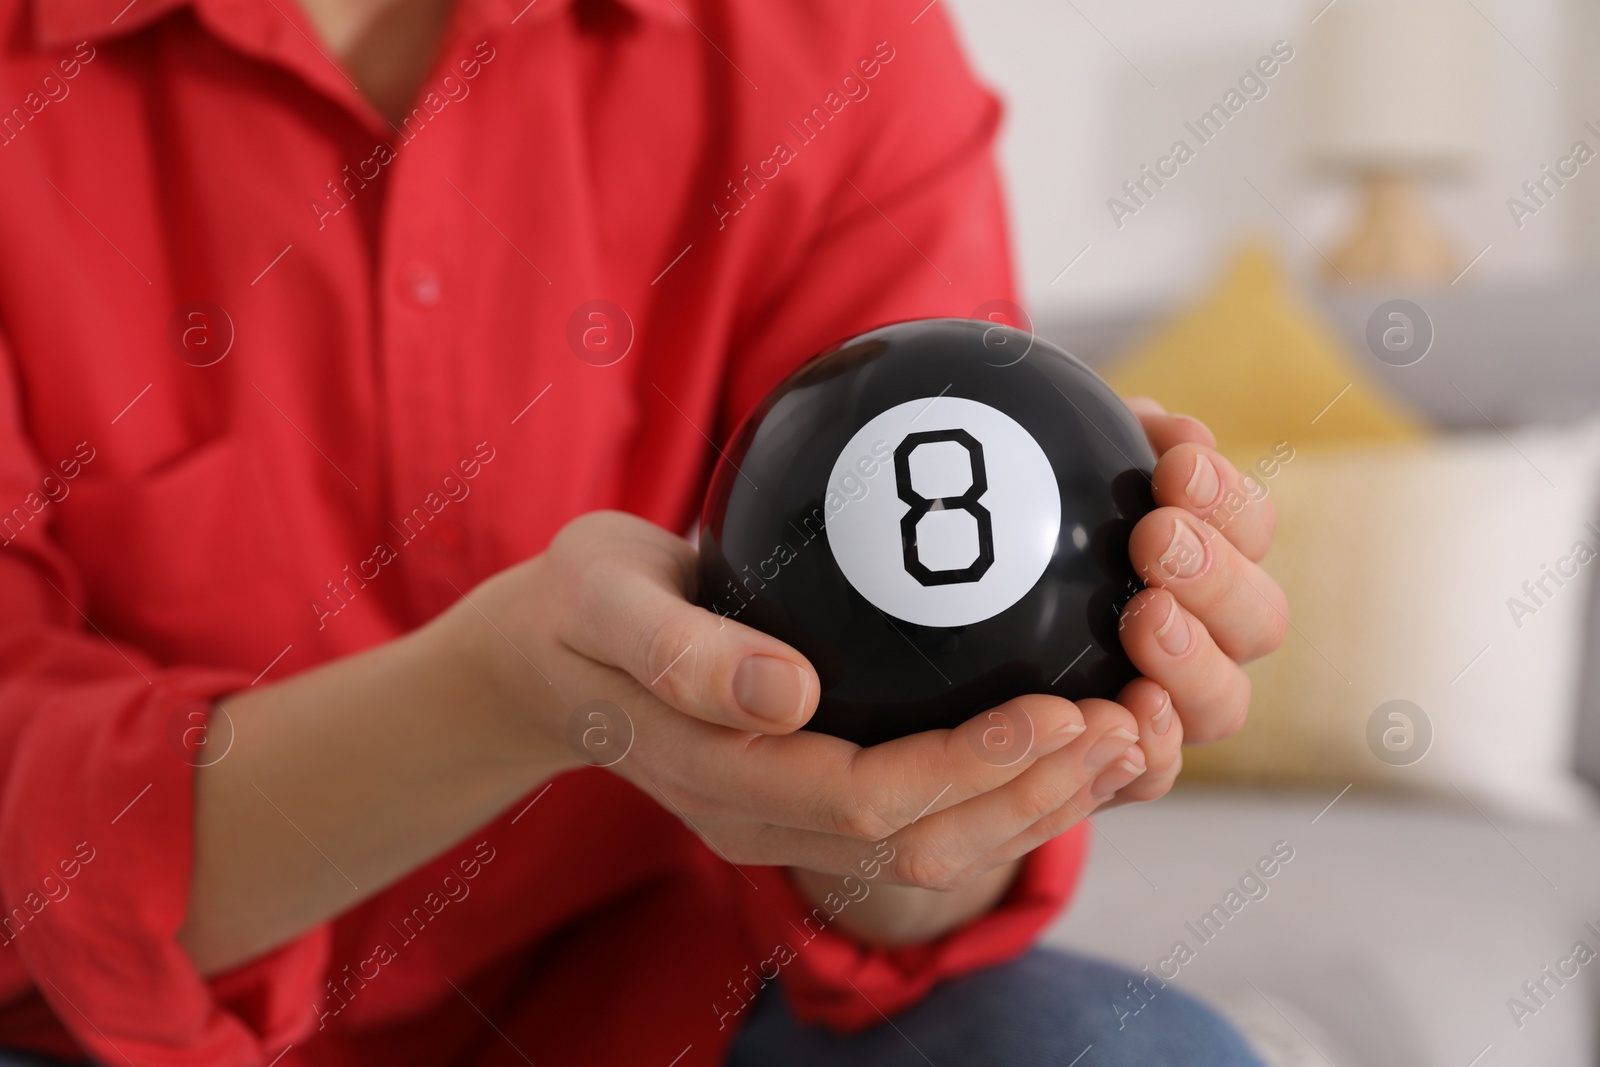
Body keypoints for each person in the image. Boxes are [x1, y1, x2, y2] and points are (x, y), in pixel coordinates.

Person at [0, 0, 1286, 1063]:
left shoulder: (828, 38)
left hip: (665, 1004)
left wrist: (967, 780)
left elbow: (895, 842)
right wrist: (498, 696)